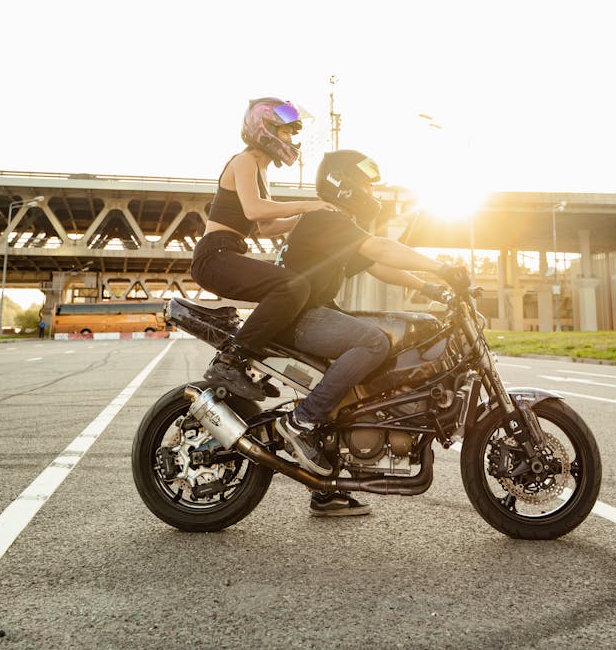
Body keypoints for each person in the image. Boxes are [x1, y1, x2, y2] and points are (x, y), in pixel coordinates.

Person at [274, 149, 470, 513]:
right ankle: (302, 422)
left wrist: (431, 289)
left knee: (374, 360)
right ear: (344, 185)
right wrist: (441, 267)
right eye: (365, 185)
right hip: (300, 318)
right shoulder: (326, 218)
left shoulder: (335, 224)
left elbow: (377, 264)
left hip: (311, 313)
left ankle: (326, 485)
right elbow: (380, 247)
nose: (371, 193)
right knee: (373, 341)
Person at [190, 97, 335, 399]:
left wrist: (309, 220)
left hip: (225, 253)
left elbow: (266, 227)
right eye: (285, 132)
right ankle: (231, 360)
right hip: (214, 255)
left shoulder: (261, 170)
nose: (291, 140)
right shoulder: (244, 160)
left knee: (298, 288)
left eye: (292, 133)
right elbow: (256, 210)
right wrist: (309, 204)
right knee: (290, 286)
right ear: (265, 129)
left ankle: (253, 361)